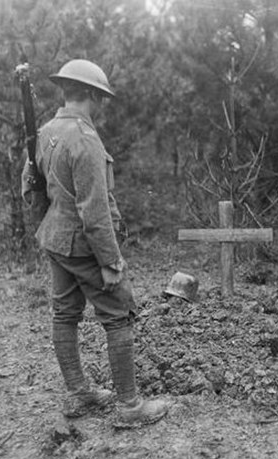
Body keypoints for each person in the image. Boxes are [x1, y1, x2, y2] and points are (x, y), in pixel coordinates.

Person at [21, 59, 170, 424]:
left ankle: (79, 394)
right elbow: (95, 212)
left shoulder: (43, 133)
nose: (101, 105)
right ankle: (130, 407)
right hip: (83, 243)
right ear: (88, 94)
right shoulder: (85, 140)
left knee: (65, 314)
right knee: (118, 314)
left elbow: (29, 186)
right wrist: (110, 261)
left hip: (55, 238)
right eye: (99, 98)